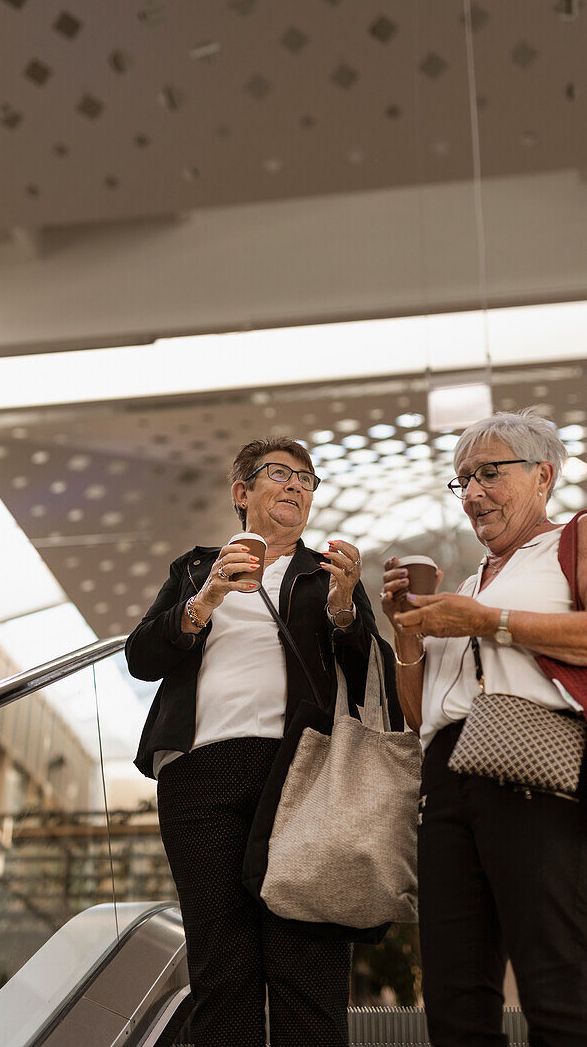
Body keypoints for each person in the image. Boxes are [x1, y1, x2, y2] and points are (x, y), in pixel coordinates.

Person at [126, 436, 400, 1047]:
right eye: (281, 473)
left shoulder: (326, 574)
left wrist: (344, 613)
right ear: (242, 492)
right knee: (222, 967)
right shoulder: (197, 567)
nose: (297, 486)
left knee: (306, 965)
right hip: (198, 773)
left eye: (307, 479)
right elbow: (142, 658)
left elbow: (370, 677)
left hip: (301, 773)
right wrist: (204, 602)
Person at [381, 409, 587, 1047]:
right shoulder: (469, 586)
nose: (472, 494)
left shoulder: (570, 541)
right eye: (462, 481)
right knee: (453, 998)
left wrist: (487, 621)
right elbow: (418, 716)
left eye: (489, 474)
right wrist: (408, 632)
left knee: (555, 981)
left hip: (530, 765)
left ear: (542, 476)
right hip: (444, 783)